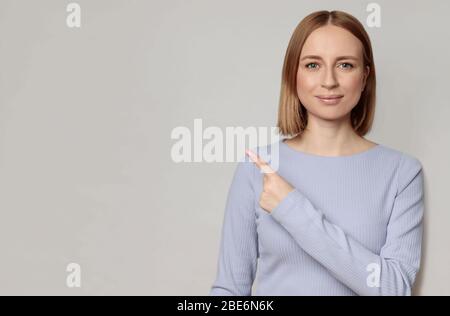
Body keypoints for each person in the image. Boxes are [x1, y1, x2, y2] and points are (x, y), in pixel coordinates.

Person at [210, 10, 424, 295]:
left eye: (345, 65)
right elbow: (229, 292)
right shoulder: (258, 168)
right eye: (312, 65)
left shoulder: (402, 173)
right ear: (293, 74)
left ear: (364, 76)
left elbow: (393, 289)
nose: (329, 81)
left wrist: (291, 207)